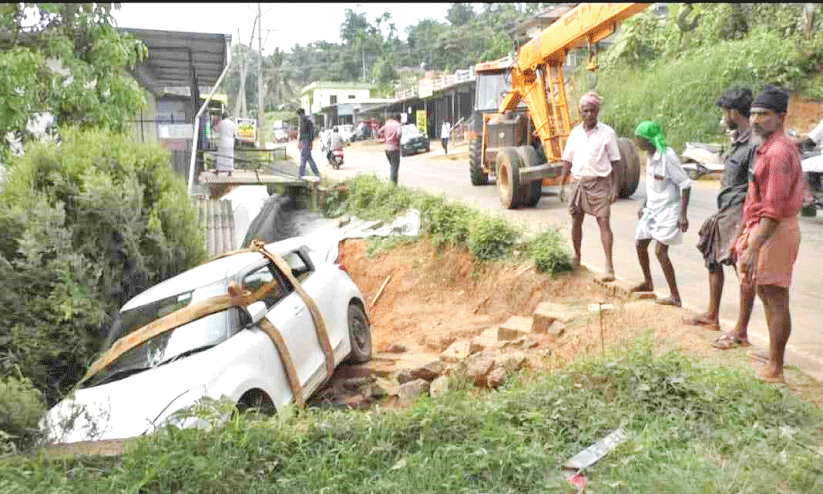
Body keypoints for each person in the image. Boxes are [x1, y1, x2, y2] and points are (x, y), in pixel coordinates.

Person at [732, 85, 804, 384]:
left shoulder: (778, 154)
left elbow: (773, 210)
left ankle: (776, 368)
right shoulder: (768, 148)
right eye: (754, 114)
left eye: (764, 114)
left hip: (773, 231)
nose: (757, 120)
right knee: (767, 293)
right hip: (764, 229)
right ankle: (775, 357)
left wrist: (752, 247)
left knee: (775, 297)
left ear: (781, 117)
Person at [685, 88, 759, 349]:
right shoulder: (738, 140)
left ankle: (741, 330)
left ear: (734, 113)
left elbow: (753, 187)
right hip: (725, 209)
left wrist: (744, 223)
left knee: (742, 268)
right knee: (712, 257)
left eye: (725, 111)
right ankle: (712, 315)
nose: (723, 116)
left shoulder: (753, 145)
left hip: (739, 212)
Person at [559, 91, 621, 282]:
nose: (589, 114)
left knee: (603, 222)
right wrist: (561, 184)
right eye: (585, 111)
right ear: (580, 112)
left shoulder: (607, 133)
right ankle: (577, 257)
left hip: (599, 183)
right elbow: (567, 160)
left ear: (598, 111)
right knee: (576, 221)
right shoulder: (575, 133)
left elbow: (616, 163)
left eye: (592, 111)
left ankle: (609, 266)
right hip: (578, 183)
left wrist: (615, 188)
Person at [631, 121, 692, 307]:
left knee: (660, 251)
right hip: (653, 208)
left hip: (669, 209)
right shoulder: (650, 155)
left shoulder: (667, 157)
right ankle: (648, 283)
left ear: (647, 140)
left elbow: (685, 184)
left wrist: (683, 214)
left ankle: (675, 297)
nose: (636, 141)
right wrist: (644, 204)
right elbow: (652, 185)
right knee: (640, 244)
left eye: (639, 138)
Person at [377, 114, 403, 184]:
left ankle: (393, 183)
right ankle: (393, 184)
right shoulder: (398, 125)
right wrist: (397, 139)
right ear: (398, 119)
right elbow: (399, 133)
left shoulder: (387, 124)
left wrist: (384, 137)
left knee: (392, 166)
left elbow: (379, 131)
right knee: (395, 168)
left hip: (387, 148)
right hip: (395, 148)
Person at [296, 108, 320, 179]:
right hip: (305, 142)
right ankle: (316, 173)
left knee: (303, 158)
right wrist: (300, 142)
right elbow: (302, 133)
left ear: (301, 114)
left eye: (299, 115)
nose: (299, 117)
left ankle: (301, 175)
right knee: (309, 158)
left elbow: (309, 133)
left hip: (306, 141)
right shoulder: (304, 121)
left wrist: (308, 142)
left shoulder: (306, 121)